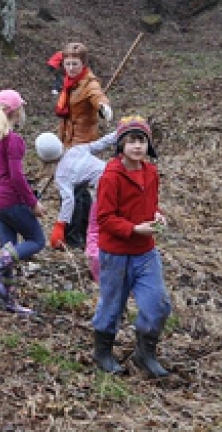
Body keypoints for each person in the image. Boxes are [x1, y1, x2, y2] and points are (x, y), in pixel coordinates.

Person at [92, 116, 170, 378]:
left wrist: (156, 215)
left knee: (157, 303)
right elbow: (104, 217)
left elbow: (149, 204)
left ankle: (145, 352)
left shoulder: (151, 173)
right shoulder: (111, 177)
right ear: (121, 145)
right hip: (115, 253)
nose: (137, 146)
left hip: (145, 252)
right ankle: (102, 351)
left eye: (142, 141)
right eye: (131, 141)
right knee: (112, 303)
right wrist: (133, 229)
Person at [0, 89, 45, 316]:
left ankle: (10, 302)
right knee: (37, 240)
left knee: (8, 251)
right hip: (9, 200)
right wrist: (33, 203)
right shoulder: (13, 140)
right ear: (16, 111)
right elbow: (16, 177)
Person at [36, 130, 117, 255]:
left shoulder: (61, 175)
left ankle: (95, 247)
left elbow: (69, 200)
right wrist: (119, 132)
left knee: (102, 218)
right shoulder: (77, 149)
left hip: (105, 188)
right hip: (117, 174)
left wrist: (60, 225)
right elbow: (102, 143)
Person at [55, 42, 112, 148]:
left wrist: (103, 106)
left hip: (84, 142)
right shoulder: (69, 82)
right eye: (68, 64)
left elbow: (97, 95)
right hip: (67, 139)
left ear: (83, 64)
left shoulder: (89, 83)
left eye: (75, 64)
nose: (71, 68)